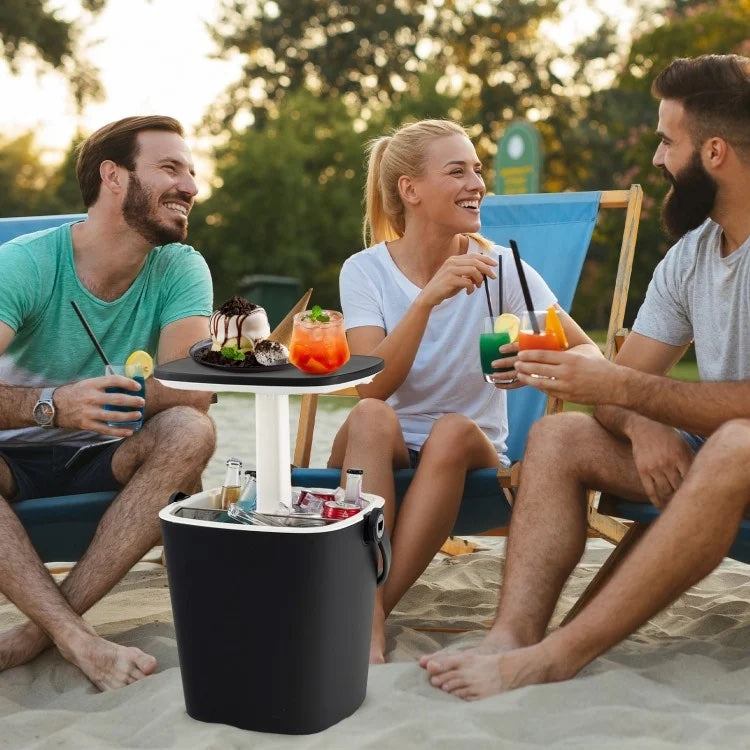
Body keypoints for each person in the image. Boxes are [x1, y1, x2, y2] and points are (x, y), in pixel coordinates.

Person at [420, 53, 750, 700]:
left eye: (665, 141)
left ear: (713, 152)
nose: (657, 159)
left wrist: (630, 394)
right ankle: (512, 636)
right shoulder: (692, 255)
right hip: (716, 464)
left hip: (736, 455)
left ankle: (558, 655)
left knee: (738, 442)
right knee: (557, 440)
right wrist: (644, 419)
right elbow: (618, 389)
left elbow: (626, 385)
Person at [328, 118, 601, 663]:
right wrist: (428, 298)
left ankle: (368, 615)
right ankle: (369, 618)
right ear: (410, 190)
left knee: (452, 429)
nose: (477, 182)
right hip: (387, 444)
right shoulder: (366, 271)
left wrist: (531, 360)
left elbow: (589, 353)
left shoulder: (503, 268)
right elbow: (371, 386)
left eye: (478, 170)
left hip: (471, 452)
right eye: (457, 171)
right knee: (370, 418)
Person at [0, 115, 216, 690]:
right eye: (170, 168)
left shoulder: (180, 265)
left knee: (190, 432)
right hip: (10, 457)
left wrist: (134, 393)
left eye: (191, 172)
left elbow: (194, 390)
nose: (191, 187)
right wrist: (50, 406)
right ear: (113, 177)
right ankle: (75, 638)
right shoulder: (26, 264)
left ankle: (39, 632)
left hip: (106, 453)